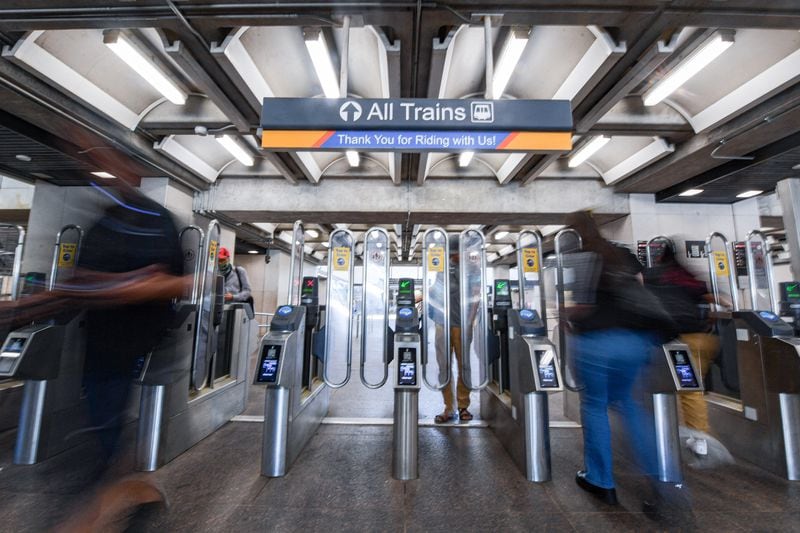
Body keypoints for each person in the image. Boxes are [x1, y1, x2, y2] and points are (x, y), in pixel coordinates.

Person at [564, 211, 663, 510]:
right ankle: (659, 477)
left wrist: (564, 312)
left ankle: (600, 480)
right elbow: (641, 289)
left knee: (595, 406)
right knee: (631, 406)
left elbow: (583, 305)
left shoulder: (583, 257)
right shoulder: (623, 254)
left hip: (597, 342)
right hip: (634, 341)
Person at [644, 239, 719, 434]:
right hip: (701, 339)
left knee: (688, 390)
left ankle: (700, 440)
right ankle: (697, 435)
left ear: (659, 257)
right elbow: (716, 300)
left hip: (678, 342)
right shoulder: (687, 276)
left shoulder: (654, 276)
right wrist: (710, 320)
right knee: (692, 389)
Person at [433, 235, 474, 423]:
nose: (455, 255)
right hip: (443, 323)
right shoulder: (441, 268)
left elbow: (476, 297)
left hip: (462, 324)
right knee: (444, 366)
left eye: (457, 252)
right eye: (452, 252)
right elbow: (436, 292)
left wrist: (469, 322)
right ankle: (449, 407)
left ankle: (463, 405)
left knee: (464, 365)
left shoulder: (471, 269)